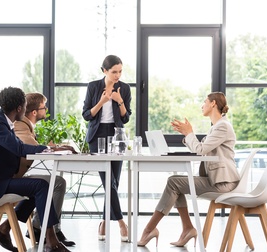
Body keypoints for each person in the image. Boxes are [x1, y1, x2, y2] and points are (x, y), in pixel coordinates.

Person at [0, 86, 73, 252]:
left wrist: (49, 149)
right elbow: (18, 149)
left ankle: (4, 230)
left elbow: (19, 145)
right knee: (41, 186)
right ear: (19, 108)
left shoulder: (2, 120)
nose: (26, 110)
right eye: (25, 107)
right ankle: (51, 239)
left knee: (39, 187)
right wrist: (48, 149)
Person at [137, 92, 240, 247]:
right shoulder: (217, 127)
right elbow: (201, 149)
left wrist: (189, 133)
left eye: (205, 101)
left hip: (223, 183)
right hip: (218, 180)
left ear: (213, 104)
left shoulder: (222, 127)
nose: (202, 105)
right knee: (175, 183)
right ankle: (187, 229)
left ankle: (149, 230)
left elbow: (200, 149)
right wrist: (187, 135)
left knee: (174, 182)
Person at [13, 92, 76, 247]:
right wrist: (56, 148)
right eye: (44, 107)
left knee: (53, 181)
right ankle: (45, 228)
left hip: (19, 176)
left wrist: (54, 148)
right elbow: (32, 148)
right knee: (57, 183)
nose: (46, 110)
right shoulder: (20, 125)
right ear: (34, 112)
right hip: (13, 179)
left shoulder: (27, 126)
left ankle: (42, 227)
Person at [82, 55, 132, 242]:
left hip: (116, 135)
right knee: (108, 181)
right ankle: (121, 222)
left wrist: (119, 101)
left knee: (114, 183)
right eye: (114, 72)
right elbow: (87, 115)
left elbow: (126, 118)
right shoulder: (93, 86)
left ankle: (104, 219)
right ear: (104, 71)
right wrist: (102, 102)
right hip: (97, 137)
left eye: (120, 71)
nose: (118, 75)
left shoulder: (124, 88)